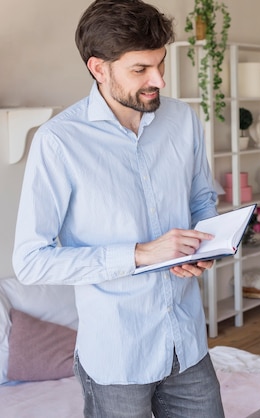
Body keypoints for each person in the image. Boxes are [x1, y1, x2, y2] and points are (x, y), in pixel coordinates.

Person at [12, 1, 225, 417]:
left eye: (160, 64)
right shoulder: (59, 142)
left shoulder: (182, 120)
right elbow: (32, 262)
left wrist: (205, 246)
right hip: (117, 356)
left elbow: (202, 200)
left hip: (188, 342)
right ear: (98, 68)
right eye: (140, 69)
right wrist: (142, 254)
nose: (159, 80)